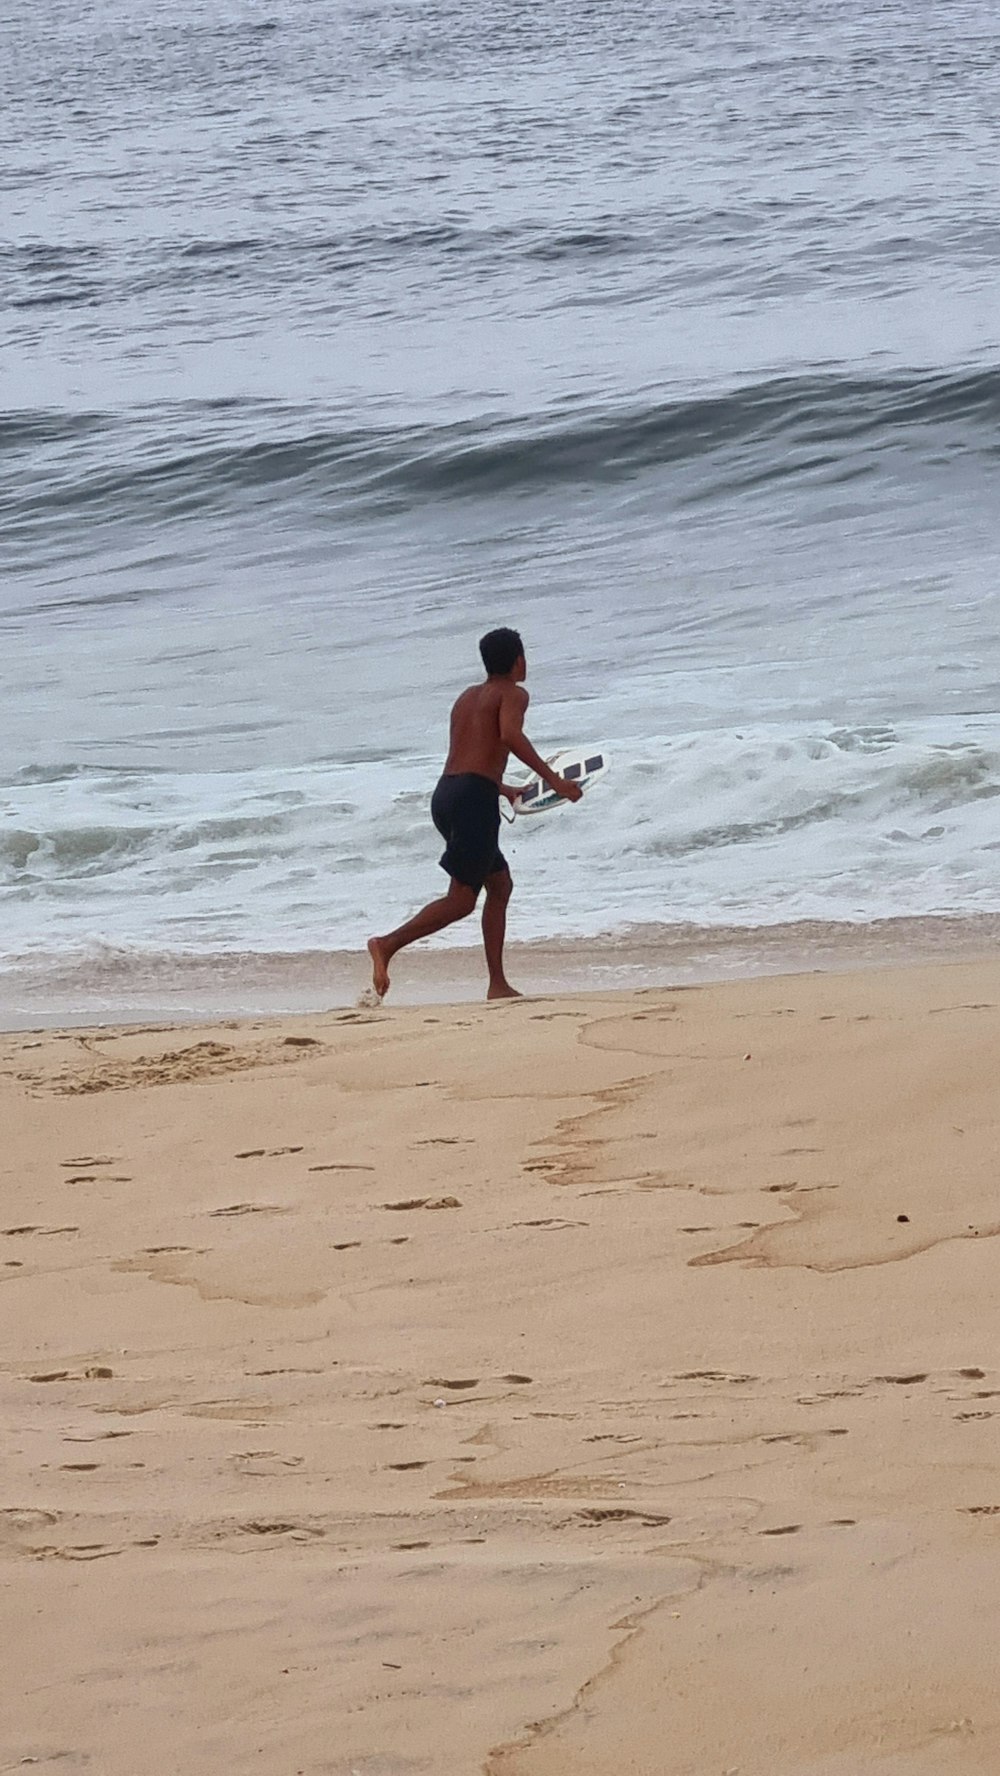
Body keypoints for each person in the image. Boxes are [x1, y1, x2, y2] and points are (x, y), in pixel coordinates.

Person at [367, 627, 582, 1001]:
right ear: (518, 660)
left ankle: (497, 984)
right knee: (462, 900)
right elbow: (510, 736)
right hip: (472, 801)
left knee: (499, 885)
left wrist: (503, 787)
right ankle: (386, 945)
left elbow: (468, 756)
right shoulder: (513, 694)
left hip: (448, 795)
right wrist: (556, 781)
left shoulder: (466, 697)